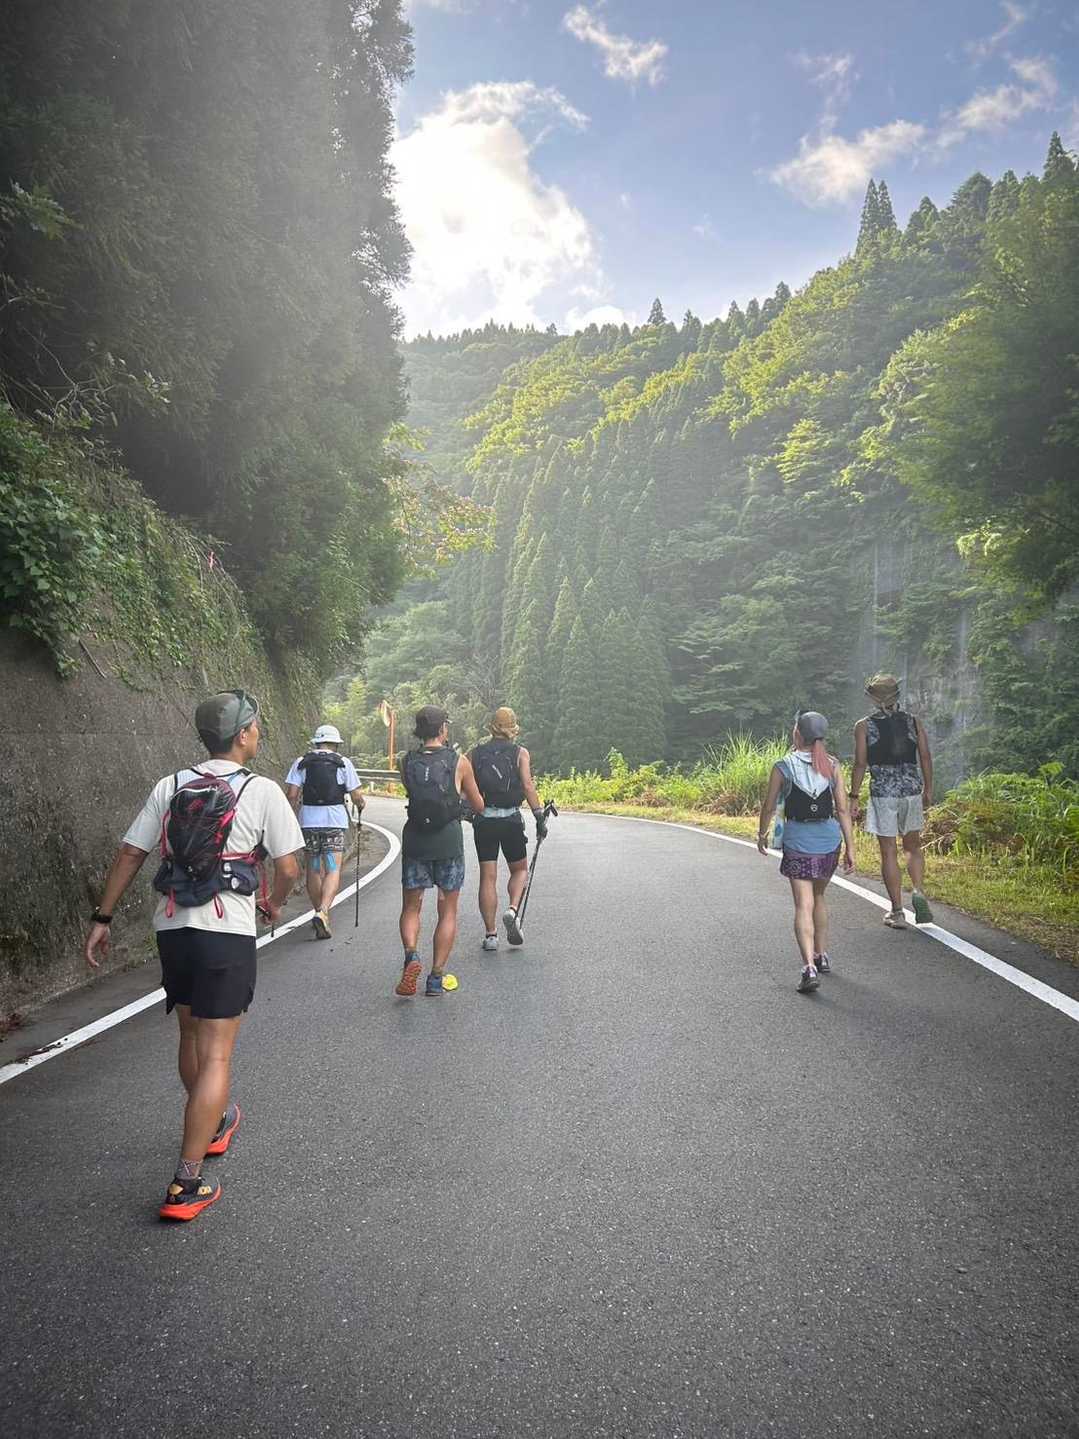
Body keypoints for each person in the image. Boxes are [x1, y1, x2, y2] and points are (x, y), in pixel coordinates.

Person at [84, 690, 303, 1221]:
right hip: (225, 929)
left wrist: (102, 918)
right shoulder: (261, 790)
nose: (258, 732)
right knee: (218, 1054)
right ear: (243, 734)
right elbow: (289, 867)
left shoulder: (171, 784)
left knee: (189, 1035)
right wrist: (273, 902)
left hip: (173, 926)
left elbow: (131, 852)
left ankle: (215, 1120)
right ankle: (186, 1183)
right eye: (255, 725)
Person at [757, 710, 855, 993]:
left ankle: (808, 968)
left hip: (798, 841)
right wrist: (851, 847)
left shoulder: (783, 766)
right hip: (829, 841)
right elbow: (842, 809)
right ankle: (821, 955)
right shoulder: (833, 765)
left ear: (797, 734)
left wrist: (762, 834)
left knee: (804, 904)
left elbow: (769, 806)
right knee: (819, 896)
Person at [395, 706, 484, 998]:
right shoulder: (459, 761)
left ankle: (411, 955)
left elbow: (413, 793)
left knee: (411, 907)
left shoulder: (405, 761)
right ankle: (435, 977)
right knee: (447, 910)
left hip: (416, 841)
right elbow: (478, 804)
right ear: (443, 729)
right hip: (447, 841)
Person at [849, 674, 935, 928]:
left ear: (873, 699)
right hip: (911, 792)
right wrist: (928, 789)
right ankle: (918, 890)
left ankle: (897, 911)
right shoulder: (913, 721)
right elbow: (925, 756)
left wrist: (854, 796)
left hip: (883, 793)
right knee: (913, 847)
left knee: (888, 851)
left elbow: (860, 763)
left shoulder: (864, 726)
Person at [467, 706, 548, 950]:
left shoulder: (474, 754)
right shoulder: (520, 753)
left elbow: (464, 786)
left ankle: (491, 936)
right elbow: (528, 785)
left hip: (484, 820)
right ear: (513, 729)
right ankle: (512, 910)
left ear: (492, 727)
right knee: (520, 869)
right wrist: (538, 815)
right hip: (511, 819)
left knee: (487, 876)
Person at [285, 723, 366, 940]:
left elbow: (292, 794)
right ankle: (323, 911)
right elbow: (356, 796)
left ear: (317, 742)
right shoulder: (343, 763)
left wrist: (289, 816)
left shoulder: (301, 762)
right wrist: (360, 805)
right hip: (334, 821)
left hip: (309, 821)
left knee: (313, 869)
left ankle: (319, 912)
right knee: (332, 869)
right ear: (335, 744)